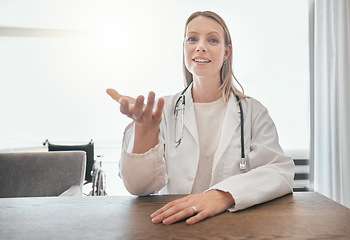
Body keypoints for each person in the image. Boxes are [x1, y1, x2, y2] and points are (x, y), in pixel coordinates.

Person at [107, 11, 294, 225]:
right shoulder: (163, 111)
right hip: (174, 226)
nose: (200, 46)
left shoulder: (253, 112)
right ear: (184, 47)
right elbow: (138, 187)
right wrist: (144, 130)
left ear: (226, 52)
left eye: (212, 40)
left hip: (234, 225)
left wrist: (222, 195)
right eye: (192, 38)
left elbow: (279, 171)